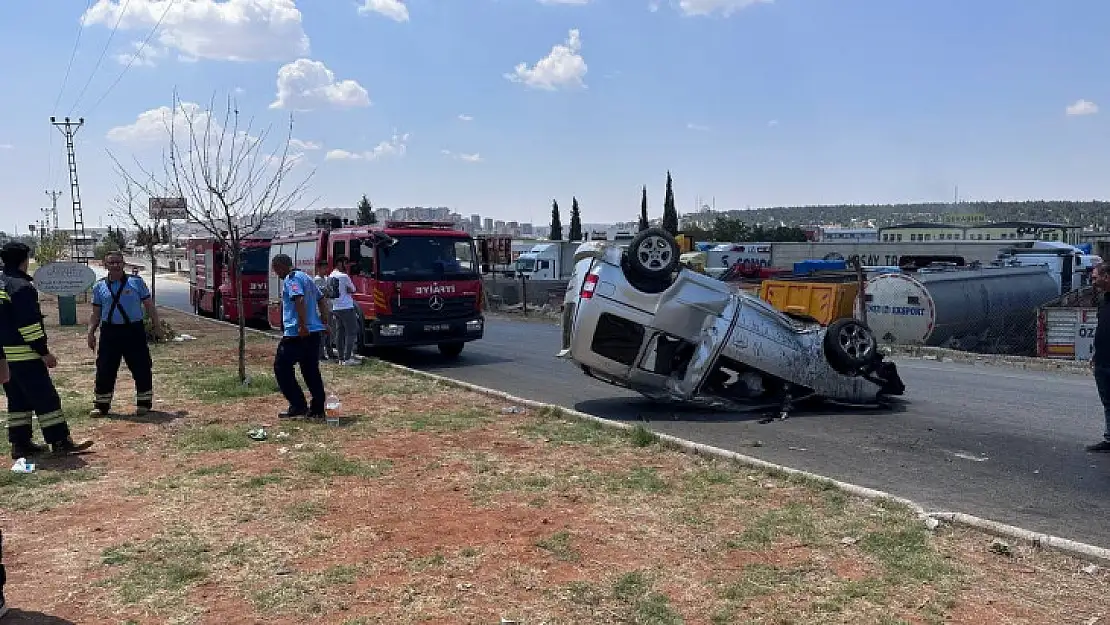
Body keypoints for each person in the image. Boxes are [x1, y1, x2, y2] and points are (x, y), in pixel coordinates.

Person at [0, 241, 93, 458]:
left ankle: (20, 443)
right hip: (25, 356)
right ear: (25, 260)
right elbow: (29, 325)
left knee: (18, 401)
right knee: (46, 399)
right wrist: (43, 352)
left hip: (5, 357)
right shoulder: (21, 287)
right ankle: (60, 441)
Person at [87, 251, 162, 417]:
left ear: (123, 264)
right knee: (105, 368)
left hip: (133, 330)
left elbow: (149, 306)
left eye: (118, 262)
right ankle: (101, 405)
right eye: (111, 262)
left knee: (141, 366)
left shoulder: (136, 283)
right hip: (109, 332)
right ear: (105, 265)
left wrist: (157, 326)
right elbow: (95, 314)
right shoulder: (99, 287)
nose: (115, 265)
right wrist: (91, 333)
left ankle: (144, 403)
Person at [271, 254, 328, 419]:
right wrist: (324, 321)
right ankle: (317, 409)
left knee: (281, 366)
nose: (276, 274)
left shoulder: (292, 279)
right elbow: (321, 299)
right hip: (314, 332)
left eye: (276, 270)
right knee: (310, 370)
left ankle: (298, 405)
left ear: (281, 266)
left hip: (297, 333)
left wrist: (302, 325)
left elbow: (299, 300)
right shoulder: (307, 277)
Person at [1086, 260, 1110, 452]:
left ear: (1106, 277)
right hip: (1102, 361)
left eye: (1095, 277)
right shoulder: (1104, 301)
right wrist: (1096, 354)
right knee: (1108, 402)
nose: (1093, 281)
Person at [329, 256, 361, 365]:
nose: (347, 265)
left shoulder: (331, 275)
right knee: (352, 331)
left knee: (340, 332)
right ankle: (347, 358)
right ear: (339, 263)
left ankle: (341, 358)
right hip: (346, 307)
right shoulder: (344, 276)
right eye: (345, 263)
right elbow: (353, 289)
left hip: (336, 307)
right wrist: (349, 290)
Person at [314, 261, 337, 362]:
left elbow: (331, 292)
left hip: (329, 308)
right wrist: (328, 291)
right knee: (322, 333)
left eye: (326, 268)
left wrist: (329, 291)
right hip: (321, 310)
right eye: (323, 268)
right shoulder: (317, 280)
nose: (325, 270)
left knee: (329, 333)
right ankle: (321, 354)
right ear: (318, 269)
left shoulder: (326, 279)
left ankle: (330, 352)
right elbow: (322, 293)